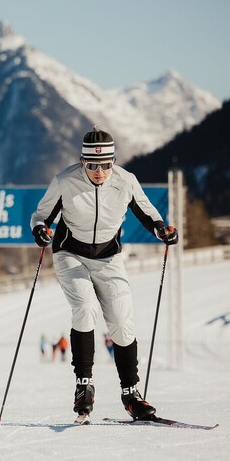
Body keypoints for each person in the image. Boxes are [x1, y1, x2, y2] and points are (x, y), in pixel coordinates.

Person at [31, 127, 178, 420]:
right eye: (92, 165)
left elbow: (147, 212)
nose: (99, 172)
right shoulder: (64, 181)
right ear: (82, 161)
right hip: (70, 253)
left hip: (109, 258)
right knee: (85, 308)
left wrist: (162, 228)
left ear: (113, 162)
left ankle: (131, 394)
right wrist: (40, 230)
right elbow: (41, 215)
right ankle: (84, 386)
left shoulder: (126, 181)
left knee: (122, 321)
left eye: (105, 165)